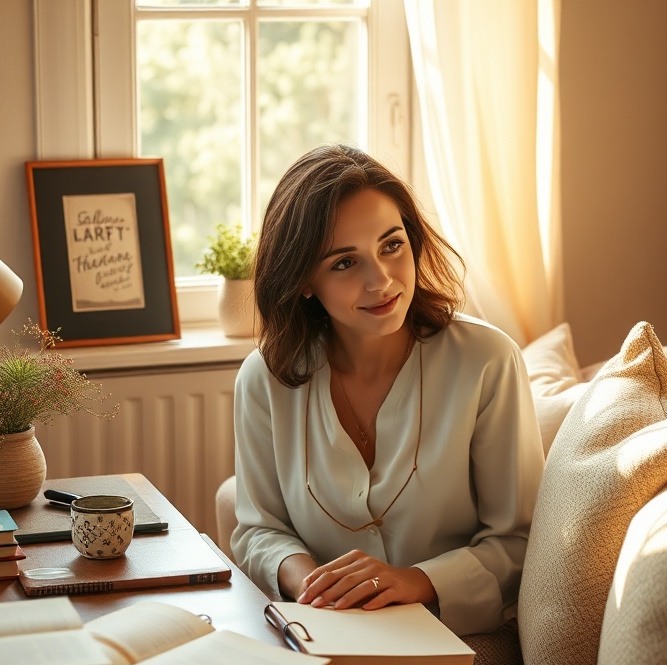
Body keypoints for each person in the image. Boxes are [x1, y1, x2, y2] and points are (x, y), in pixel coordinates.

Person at [231, 144, 544, 637]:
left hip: (456, 634)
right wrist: (313, 585)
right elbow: (258, 529)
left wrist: (413, 582)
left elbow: (521, 540)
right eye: (344, 263)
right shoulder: (265, 378)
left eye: (391, 245)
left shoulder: (488, 361)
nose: (380, 280)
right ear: (305, 280)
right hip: (325, 628)